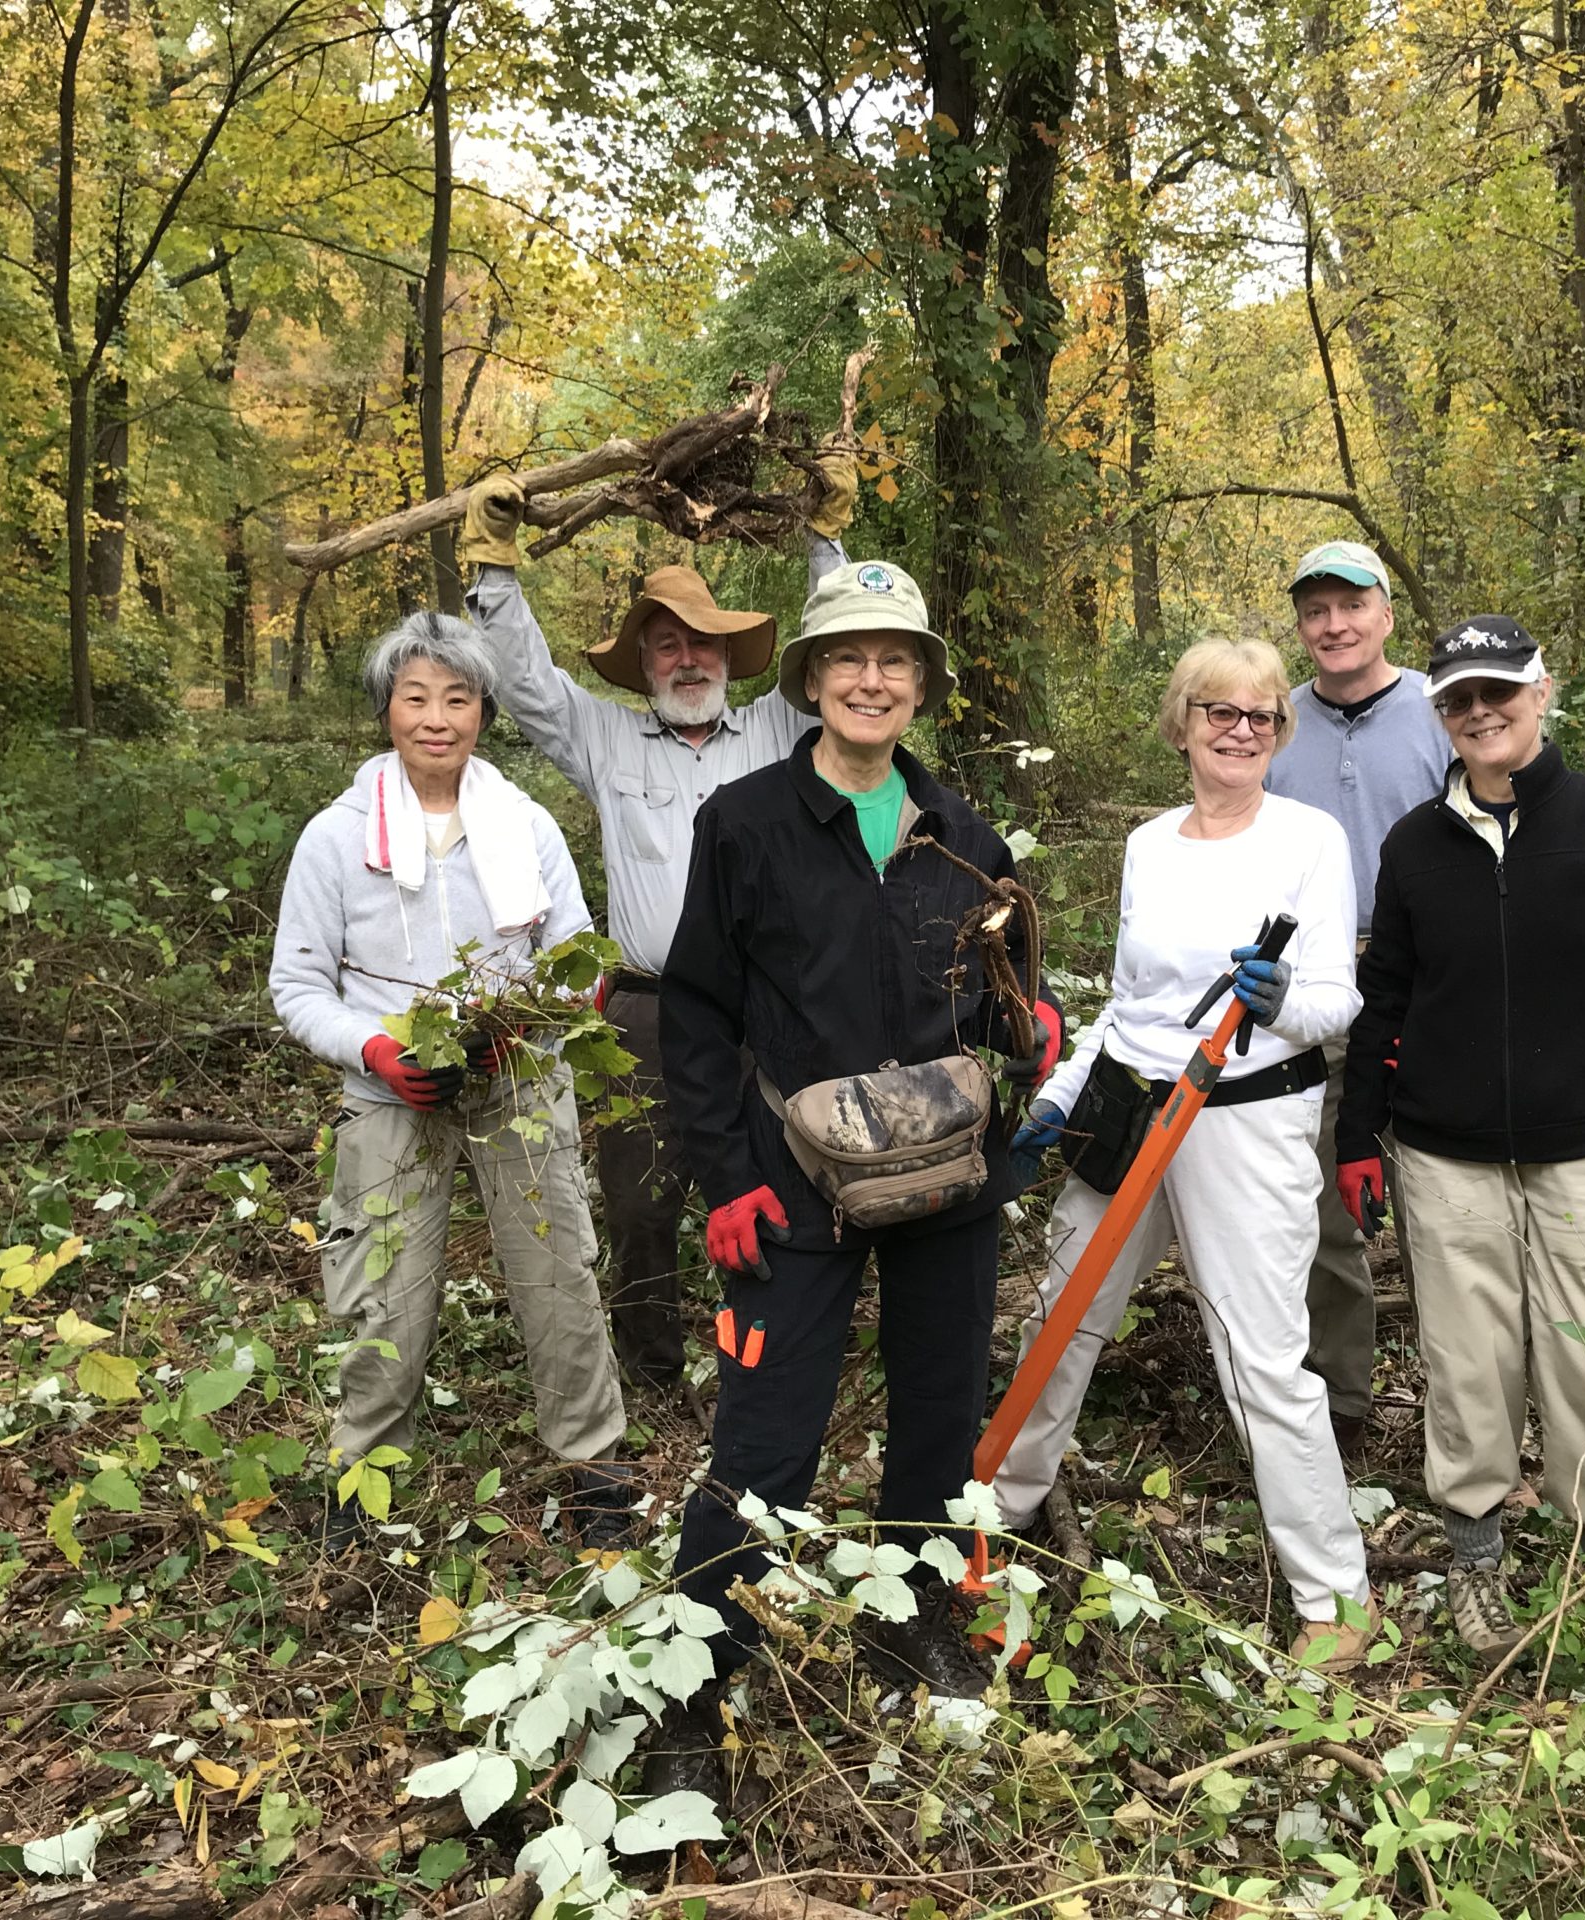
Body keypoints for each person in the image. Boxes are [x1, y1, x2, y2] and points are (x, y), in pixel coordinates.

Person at [639, 559, 1056, 1802]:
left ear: (921, 682)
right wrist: (725, 1178)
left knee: (938, 1419)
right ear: (811, 681)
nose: (871, 680)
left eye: (894, 661)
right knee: (763, 1444)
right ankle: (695, 1682)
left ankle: (913, 1621)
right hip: (790, 1182)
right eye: (846, 659)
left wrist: (1026, 1032)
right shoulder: (748, 822)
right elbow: (700, 1013)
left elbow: (1002, 1007)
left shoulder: (966, 840)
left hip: (944, 1183)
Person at [1333, 615, 1585, 1665]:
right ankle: (1474, 1549)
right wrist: (1357, 1132)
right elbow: (1386, 997)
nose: (1479, 712)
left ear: (1541, 692)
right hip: (1444, 1152)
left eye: (1498, 691)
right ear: (1440, 714)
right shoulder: (1415, 844)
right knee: (1467, 1359)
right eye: (1458, 699)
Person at [999, 636, 1380, 1673]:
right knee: (1061, 1314)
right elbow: (1133, 1005)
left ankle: (1335, 1597)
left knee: (1259, 1354)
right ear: (1183, 722)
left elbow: (1336, 1001)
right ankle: (999, 1510)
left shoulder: (1306, 840)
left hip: (1246, 1115)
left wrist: (1276, 1003)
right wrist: (1067, 1091)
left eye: (1261, 716)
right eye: (1220, 711)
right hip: (1130, 1103)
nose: (1241, 730)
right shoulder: (1151, 845)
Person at [458, 465, 856, 1395]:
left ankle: (761, 1355)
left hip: (767, 1008)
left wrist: (823, 538)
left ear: (730, 659)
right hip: (649, 1010)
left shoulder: (776, 733)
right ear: (644, 666)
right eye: (667, 646)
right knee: (641, 1201)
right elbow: (523, 686)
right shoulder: (604, 740)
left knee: (779, 1177)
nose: (687, 661)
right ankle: (655, 1368)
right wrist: (495, 565)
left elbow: (842, 650)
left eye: (703, 646)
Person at [270, 613, 637, 1554]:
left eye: (459, 699)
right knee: (380, 1288)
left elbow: (574, 955)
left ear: (484, 712)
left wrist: (542, 1014)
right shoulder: (336, 837)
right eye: (417, 697)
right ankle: (364, 1473)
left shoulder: (526, 823)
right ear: (387, 709)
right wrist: (377, 1050)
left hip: (518, 1082)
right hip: (394, 1093)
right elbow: (299, 985)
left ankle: (594, 1464)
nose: (438, 718)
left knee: (558, 1272)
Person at [1263, 539, 1453, 1466]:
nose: (1334, 626)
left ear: (1385, 612)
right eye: (1315, 610)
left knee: (1442, 1195)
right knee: (1323, 1195)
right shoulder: (1276, 725)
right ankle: (1339, 1397)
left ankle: (1462, 1406)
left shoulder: (1440, 709)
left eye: (1351, 605)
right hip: (1315, 982)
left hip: (1428, 975)